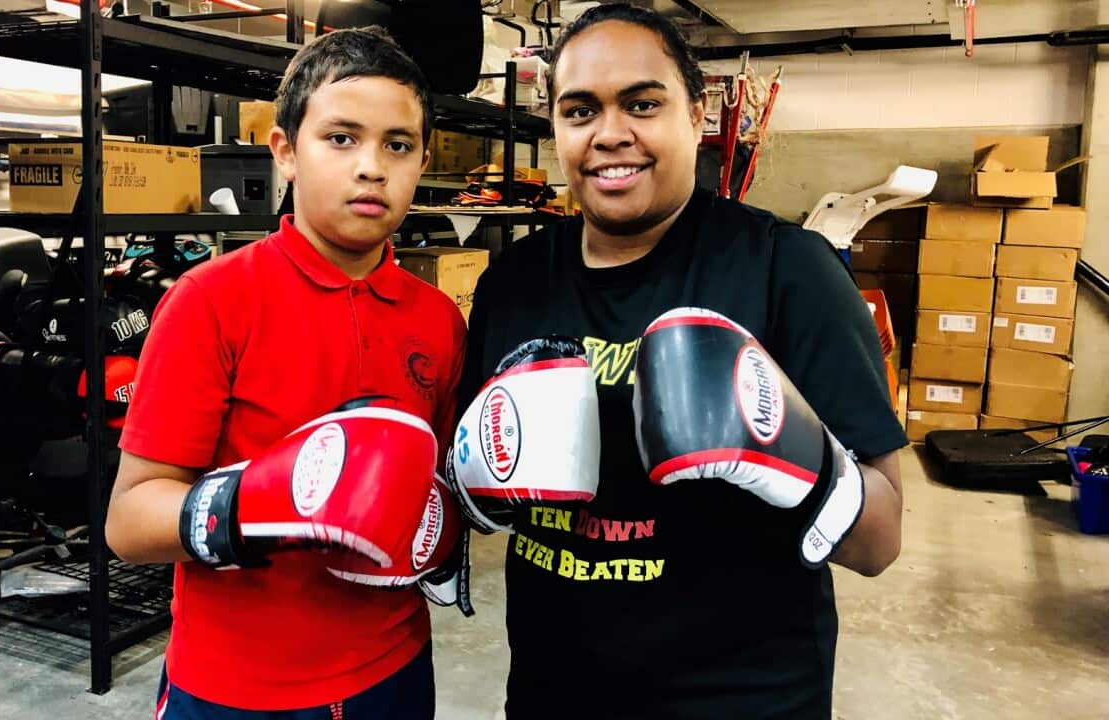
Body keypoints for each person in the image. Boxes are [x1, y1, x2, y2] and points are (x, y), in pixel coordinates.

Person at [456, 4, 906, 718]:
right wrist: (471, 483)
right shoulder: (511, 284)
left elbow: (879, 540)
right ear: (557, 129)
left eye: (642, 103)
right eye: (580, 111)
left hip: (742, 696)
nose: (610, 134)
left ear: (696, 115)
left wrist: (794, 454)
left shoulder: (787, 270)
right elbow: (473, 489)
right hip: (553, 689)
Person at [106, 27, 466, 719]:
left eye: (398, 144)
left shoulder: (438, 319)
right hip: (234, 686)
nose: (371, 166)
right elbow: (128, 521)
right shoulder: (210, 302)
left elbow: (432, 489)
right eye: (340, 138)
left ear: (422, 160)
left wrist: (465, 509)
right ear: (285, 152)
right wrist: (263, 503)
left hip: (392, 668)